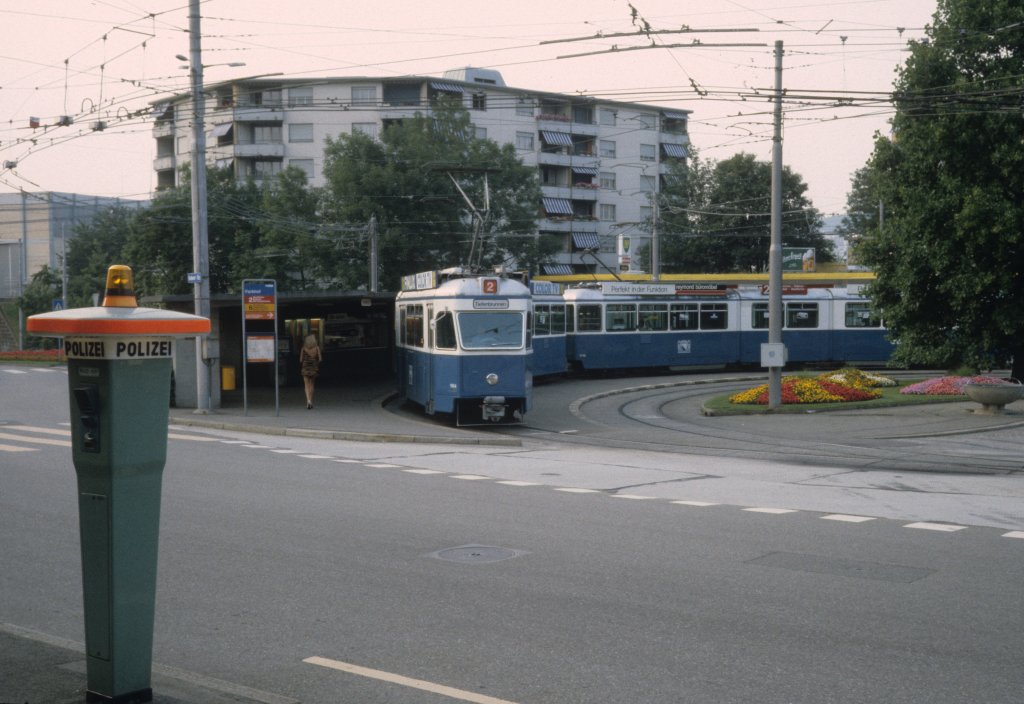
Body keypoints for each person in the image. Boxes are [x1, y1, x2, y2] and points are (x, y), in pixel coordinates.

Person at [299, 334, 322, 409]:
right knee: (312, 384)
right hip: (314, 368)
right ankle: (311, 401)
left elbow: (301, 360)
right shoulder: (317, 348)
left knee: (306, 385)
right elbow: (320, 359)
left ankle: (308, 401)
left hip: (305, 368)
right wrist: (315, 362)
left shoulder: (303, 348)